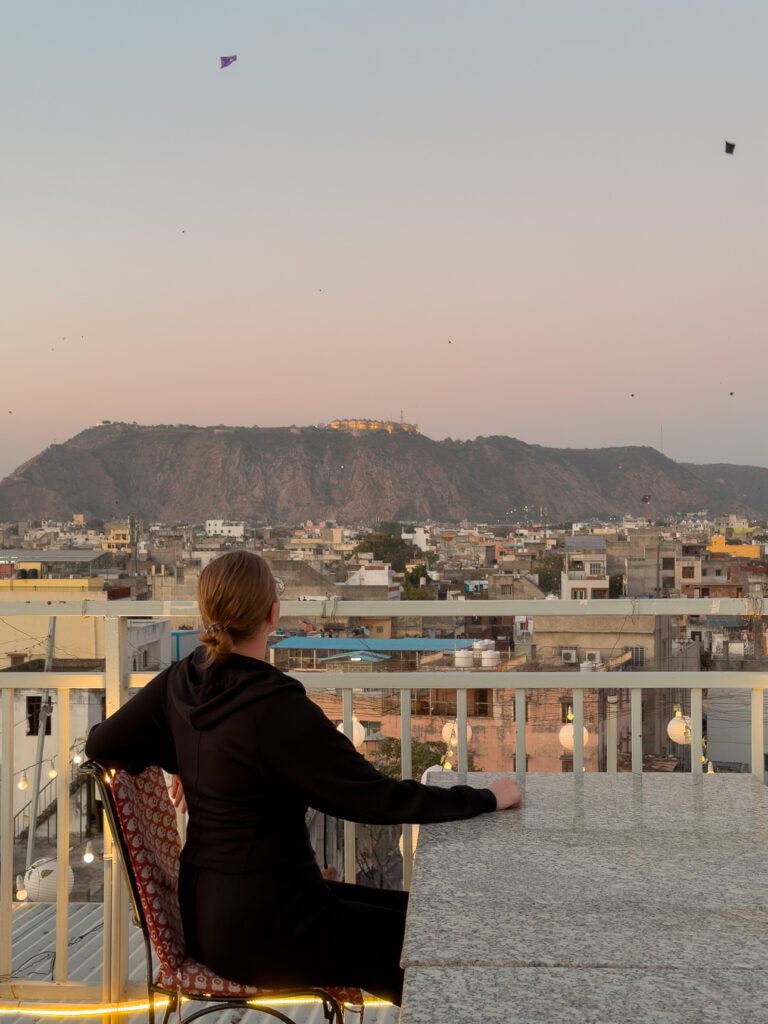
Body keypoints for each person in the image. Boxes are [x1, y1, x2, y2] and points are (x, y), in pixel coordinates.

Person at [85, 551, 522, 1006]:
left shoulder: (181, 680)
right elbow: (374, 798)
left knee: (425, 917)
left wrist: (188, 759)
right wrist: (484, 798)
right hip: (272, 926)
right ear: (273, 614)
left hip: (208, 921)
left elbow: (101, 745)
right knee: (437, 946)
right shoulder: (276, 706)